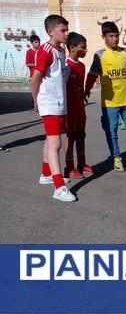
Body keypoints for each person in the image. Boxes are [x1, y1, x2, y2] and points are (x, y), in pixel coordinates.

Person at [85, 21, 126, 173]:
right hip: (110, 102)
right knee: (112, 132)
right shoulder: (100, 55)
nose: (115, 39)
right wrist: (86, 90)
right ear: (104, 37)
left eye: (117, 36)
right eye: (111, 36)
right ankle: (117, 157)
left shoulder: (125, 52)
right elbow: (92, 75)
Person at [30, 15, 76, 202]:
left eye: (66, 29)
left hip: (59, 103)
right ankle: (59, 187)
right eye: (62, 30)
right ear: (51, 32)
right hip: (49, 103)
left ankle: (46, 174)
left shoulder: (60, 51)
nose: (66, 33)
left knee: (51, 141)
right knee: (56, 143)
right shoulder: (45, 51)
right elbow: (35, 80)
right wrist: (36, 102)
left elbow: (60, 73)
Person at [64, 32, 93, 179]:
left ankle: (82, 163)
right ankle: (69, 166)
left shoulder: (81, 66)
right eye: (83, 47)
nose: (86, 50)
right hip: (70, 109)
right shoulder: (65, 65)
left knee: (81, 134)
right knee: (71, 136)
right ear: (73, 48)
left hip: (80, 107)